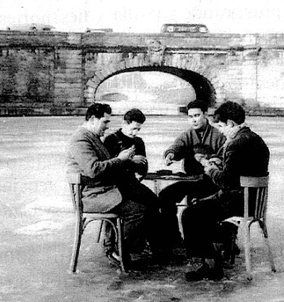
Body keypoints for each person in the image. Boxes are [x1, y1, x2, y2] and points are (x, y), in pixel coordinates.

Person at [182, 101, 270, 281]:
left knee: (190, 213)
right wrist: (221, 164)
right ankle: (219, 251)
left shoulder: (235, 144)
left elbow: (225, 181)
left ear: (231, 123)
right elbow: (243, 170)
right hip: (254, 202)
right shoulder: (256, 139)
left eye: (222, 126)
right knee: (203, 207)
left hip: (238, 202)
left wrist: (208, 167)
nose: (221, 130)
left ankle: (210, 264)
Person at [66, 103, 153, 266]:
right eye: (105, 122)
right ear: (93, 119)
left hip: (102, 191)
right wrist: (121, 159)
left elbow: (104, 166)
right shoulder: (80, 139)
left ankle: (127, 247)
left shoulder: (92, 138)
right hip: (93, 196)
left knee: (142, 203)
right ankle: (115, 250)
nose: (107, 127)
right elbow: (93, 169)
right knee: (136, 211)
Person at [159, 100, 226, 249]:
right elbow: (177, 146)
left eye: (197, 115)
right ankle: (173, 238)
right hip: (191, 180)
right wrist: (170, 155)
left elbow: (224, 158)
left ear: (205, 115)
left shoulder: (218, 135)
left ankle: (217, 241)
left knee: (198, 203)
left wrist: (211, 160)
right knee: (165, 196)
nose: (193, 120)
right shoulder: (188, 134)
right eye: (190, 117)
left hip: (212, 181)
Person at [103, 108, 162, 255]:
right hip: (114, 185)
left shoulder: (138, 142)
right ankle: (122, 245)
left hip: (131, 183)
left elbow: (143, 168)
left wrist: (135, 164)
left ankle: (144, 242)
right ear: (124, 123)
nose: (135, 132)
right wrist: (130, 160)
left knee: (154, 201)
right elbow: (109, 167)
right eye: (133, 128)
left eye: (138, 129)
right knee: (140, 206)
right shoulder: (111, 140)